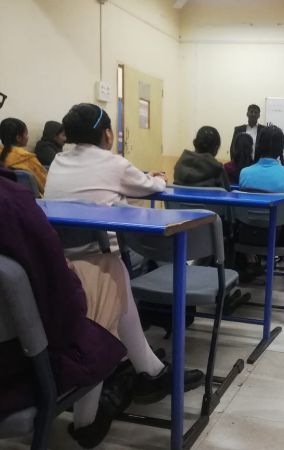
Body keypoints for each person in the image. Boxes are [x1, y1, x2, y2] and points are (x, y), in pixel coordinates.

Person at [0, 167, 203, 448]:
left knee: (99, 274)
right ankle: (90, 418)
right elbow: (62, 306)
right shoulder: (12, 201)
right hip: (18, 368)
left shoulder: (56, 165)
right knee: (109, 273)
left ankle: (148, 370)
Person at [45, 103, 167, 205]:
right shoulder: (115, 163)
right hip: (104, 227)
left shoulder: (58, 160)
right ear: (108, 133)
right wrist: (159, 179)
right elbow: (153, 186)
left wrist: (146, 177)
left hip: (57, 227)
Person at [239, 125, 284, 246]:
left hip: (248, 235)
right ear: (281, 149)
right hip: (280, 239)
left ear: (258, 146)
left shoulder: (244, 173)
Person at [0, 118, 47, 194]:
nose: (27, 137)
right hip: (31, 198)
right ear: (18, 138)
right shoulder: (28, 159)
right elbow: (46, 185)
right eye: (26, 134)